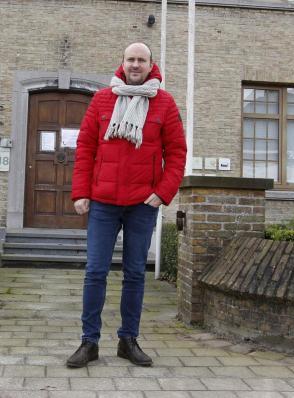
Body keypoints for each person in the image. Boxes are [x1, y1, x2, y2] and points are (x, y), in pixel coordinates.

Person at [66, 42, 187, 367]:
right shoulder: (103, 99)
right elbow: (85, 146)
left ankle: (127, 340)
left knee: (135, 273)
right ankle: (89, 342)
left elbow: (176, 152)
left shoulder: (164, 102)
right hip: (103, 203)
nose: (136, 65)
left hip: (141, 204)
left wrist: (162, 193)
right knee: (95, 272)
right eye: (131, 59)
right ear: (122, 63)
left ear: (151, 65)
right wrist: (81, 192)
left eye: (141, 60)